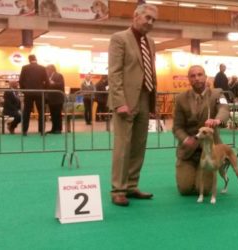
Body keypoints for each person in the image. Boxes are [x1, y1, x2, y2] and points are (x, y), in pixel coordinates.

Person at [108, 3, 158, 206]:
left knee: (139, 145)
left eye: (154, 20)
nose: (150, 22)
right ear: (135, 16)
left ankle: (131, 185)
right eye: (147, 17)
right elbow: (114, 72)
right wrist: (120, 102)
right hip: (125, 102)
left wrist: (153, 103)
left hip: (145, 99)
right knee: (123, 147)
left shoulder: (151, 42)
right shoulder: (119, 38)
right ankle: (118, 189)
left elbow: (150, 72)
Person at [173, 65, 230, 195]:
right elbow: (177, 127)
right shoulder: (181, 99)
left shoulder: (217, 93)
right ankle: (190, 171)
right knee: (185, 189)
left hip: (210, 152)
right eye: (193, 76)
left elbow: (224, 109)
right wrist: (185, 139)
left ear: (205, 76)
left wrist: (217, 120)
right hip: (188, 153)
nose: (197, 78)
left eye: (199, 75)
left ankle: (204, 173)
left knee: (202, 190)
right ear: (189, 79)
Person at [19, 54, 49, 136]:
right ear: (36, 59)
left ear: (29, 60)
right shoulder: (42, 68)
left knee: (26, 112)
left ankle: (24, 131)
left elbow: (21, 81)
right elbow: (47, 81)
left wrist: (24, 91)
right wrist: (44, 90)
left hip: (28, 93)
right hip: (40, 93)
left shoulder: (25, 68)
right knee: (41, 112)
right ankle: (42, 131)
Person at [46, 64, 65, 134]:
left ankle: (59, 129)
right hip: (51, 98)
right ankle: (53, 128)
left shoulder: (59, 75)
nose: (47, 71)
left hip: (58, 98)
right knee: (52, 114)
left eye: (47, 70)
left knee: (58, 114)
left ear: (51, 69)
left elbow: (61, 85)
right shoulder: (48, 77)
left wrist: (53, 83)